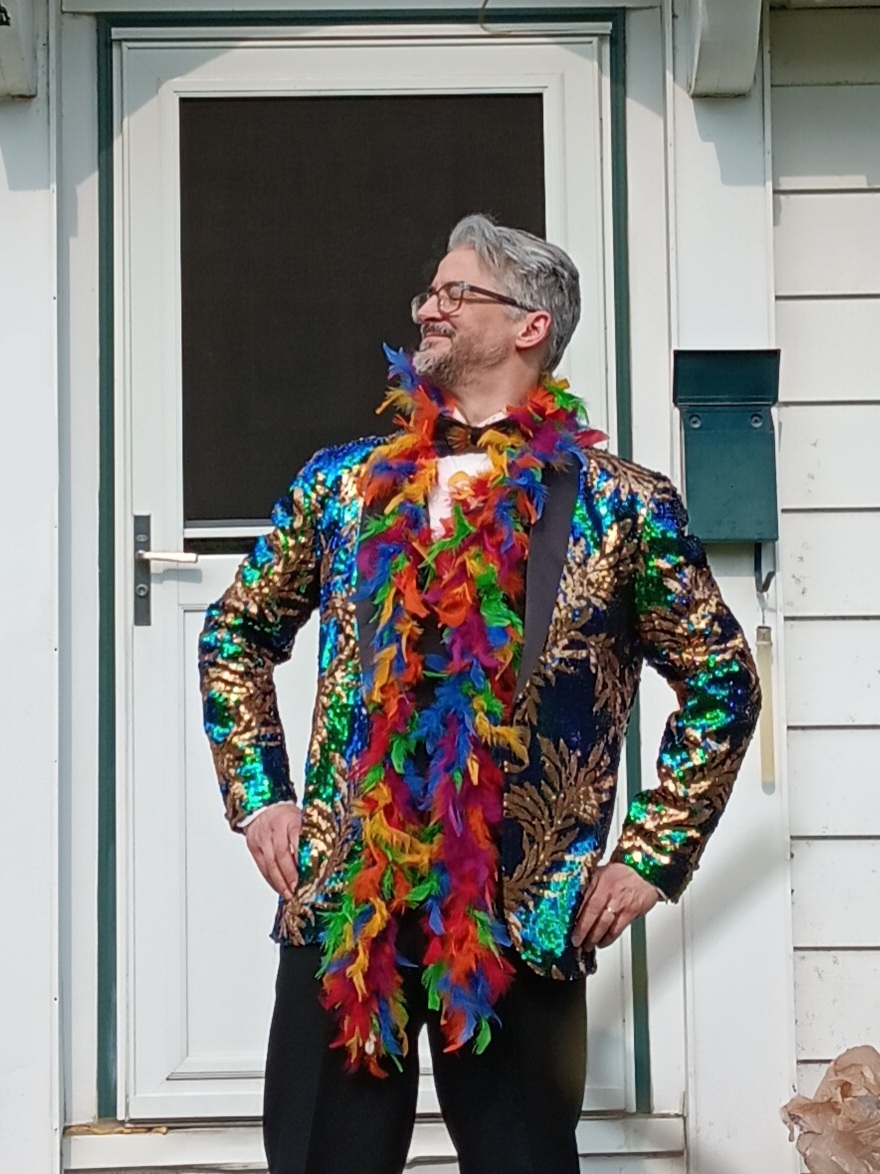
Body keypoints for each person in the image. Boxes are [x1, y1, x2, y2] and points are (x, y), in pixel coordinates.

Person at [199, 214, 761, 1174]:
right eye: (430, 292)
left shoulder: (623, 506)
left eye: (456, 292)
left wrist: (651, 857)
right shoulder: (341, 487)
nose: (428, 306)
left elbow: (720, 682)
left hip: (524, 905)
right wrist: (260, 797)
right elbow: (235, 634)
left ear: (530, 326)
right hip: (349, 899)